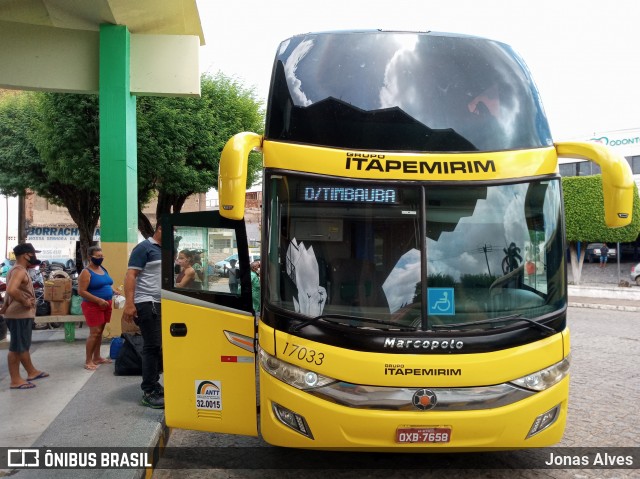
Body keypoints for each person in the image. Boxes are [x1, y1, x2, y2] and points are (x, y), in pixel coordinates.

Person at [123, 223, 164, 409]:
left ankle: (155, 384)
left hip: (161, 303)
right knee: (151, 346)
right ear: (160, 229)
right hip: (147, 303)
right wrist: (130, 303)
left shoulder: (164, 249)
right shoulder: (144, 248)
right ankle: (148, 390)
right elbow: (131, 275)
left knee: (157, 347)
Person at [1, 243, 49, 390]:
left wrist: (5, 308)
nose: (35, 257)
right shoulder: (19, 271)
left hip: (18, 314)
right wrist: (25, 301)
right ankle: (15, 380)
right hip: (19, 315)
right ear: (25, 255)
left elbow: (9, 292)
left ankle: (31, 372)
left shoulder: (17, 270)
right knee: (16, 348)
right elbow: (11, 289)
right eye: (33, 254)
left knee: (23, 346)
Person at [78, 246, 120, 370]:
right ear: (90, 257)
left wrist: (114, 291)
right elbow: (81, 291)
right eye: (98, 256)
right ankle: (88, 360)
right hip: (93, 305)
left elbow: (107, 283)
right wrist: (98, 300)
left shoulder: (102, 269)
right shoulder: (86, 272)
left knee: (100, 332)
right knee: (94, 333)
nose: (100, 258)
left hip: (106, 304)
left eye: (102, 256)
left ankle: (97, 357)